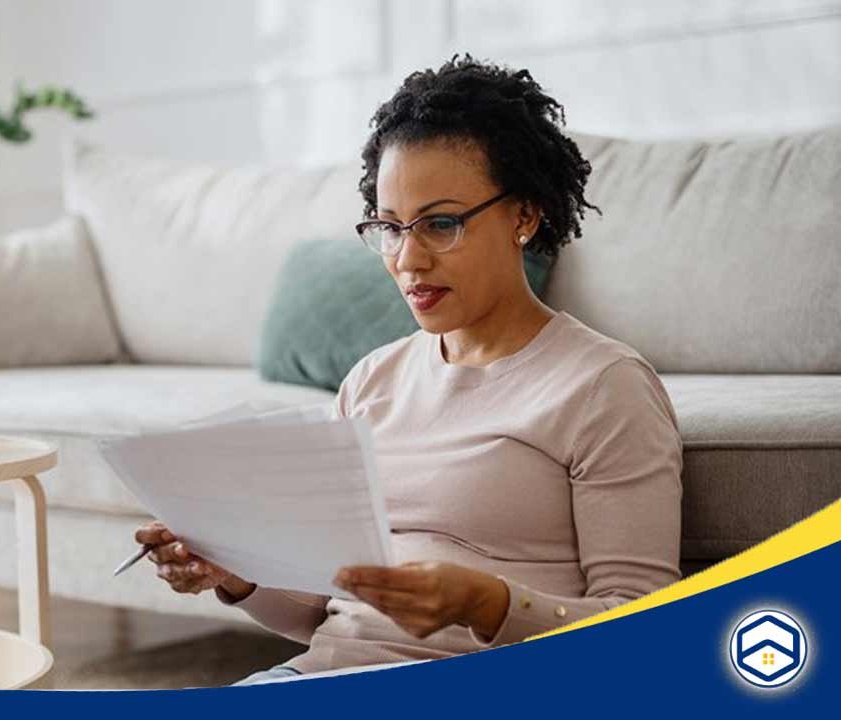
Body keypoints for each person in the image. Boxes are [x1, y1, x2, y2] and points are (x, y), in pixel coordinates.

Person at [134, 54, 683, 685]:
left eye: (440, 224)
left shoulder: (603, 386)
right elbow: (322, 611)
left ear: (525, 216)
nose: (408, 259)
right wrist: (236, 576)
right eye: (390, 228)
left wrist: (488, 603)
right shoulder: (371, 381)